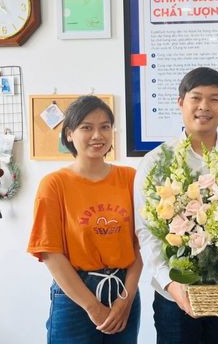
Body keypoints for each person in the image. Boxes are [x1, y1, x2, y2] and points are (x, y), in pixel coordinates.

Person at [134, 67, 218, 344]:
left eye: (214, 99)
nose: (204, 106)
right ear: (180, 102)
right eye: (196, 98)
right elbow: (146, 230)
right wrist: (170, 283)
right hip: (174, 294)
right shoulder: (156, 161)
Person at [27, 95, 142, 343]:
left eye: (105, 127)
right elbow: (50, 252)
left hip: (123, 290)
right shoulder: (54, 184)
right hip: (75, 297)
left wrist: (126, 299)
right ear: (69, 134)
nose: (97, 135)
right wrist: (92, 307)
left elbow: (140, 244)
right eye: (86, 127)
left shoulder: (130, 179)